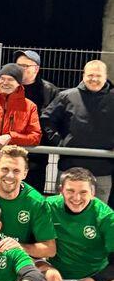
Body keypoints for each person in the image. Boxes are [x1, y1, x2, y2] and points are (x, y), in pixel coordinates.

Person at [41, 168, 114, 281]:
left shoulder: (106, 216)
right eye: (70, 191)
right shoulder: (48, 207)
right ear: (60, 190)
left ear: (93, 193)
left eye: (83, 192)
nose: (76, 198)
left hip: (97, 280)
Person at [0, 43, 57, 191]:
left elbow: (39, 132)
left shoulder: (41, 97)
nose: (6, 83)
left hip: (29, 162)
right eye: (19, 64)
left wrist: (10, 137)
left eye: (26, 66)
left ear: (36, 69)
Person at [40, 61, 114, 202]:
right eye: (90, 75)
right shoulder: (67, 97)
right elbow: (46, 121)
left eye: (98, 75)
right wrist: (60, 143)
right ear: (83, 75)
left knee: (97, 216)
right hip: (70, 167)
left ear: (106, 76)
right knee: (63, 212)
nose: (94, 79)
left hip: (103, 170)